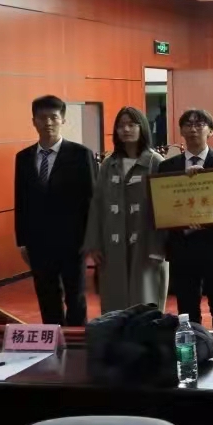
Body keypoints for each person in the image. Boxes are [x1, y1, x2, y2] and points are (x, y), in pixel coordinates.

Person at [15, 95, 97, 326]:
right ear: (34, 121)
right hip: (38, 242)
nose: (48, 122)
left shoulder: (81, 154)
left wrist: (91, 239)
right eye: (42, 118)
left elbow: (91, 199)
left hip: (74, 240)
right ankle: (52, 339)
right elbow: (20, 201)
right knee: (47, 295)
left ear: (63, 120)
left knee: (75, 296)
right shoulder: (23, 158)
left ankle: (77, 341)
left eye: (53, 117)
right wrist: (22, 241)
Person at [157, 108, 213, 329]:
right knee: (186, 305)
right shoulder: (167, 167)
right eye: (188, 124)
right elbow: (163, 205)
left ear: (210, 130)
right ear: (181, 131)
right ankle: (192, 346)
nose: (193, 129)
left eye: (199, 124)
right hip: (182, 245)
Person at [85, 106, 168, 315]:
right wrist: (94, 244)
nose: (126, 129)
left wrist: (159, 247)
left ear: (143, 128)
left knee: (146, 302)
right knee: (114, 301)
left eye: (132, 124)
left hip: (147, 246)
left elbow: (166, 209)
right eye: (121, 126)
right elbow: (97, 205)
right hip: (112, 244)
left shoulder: (155, 162)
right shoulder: (109, 164)